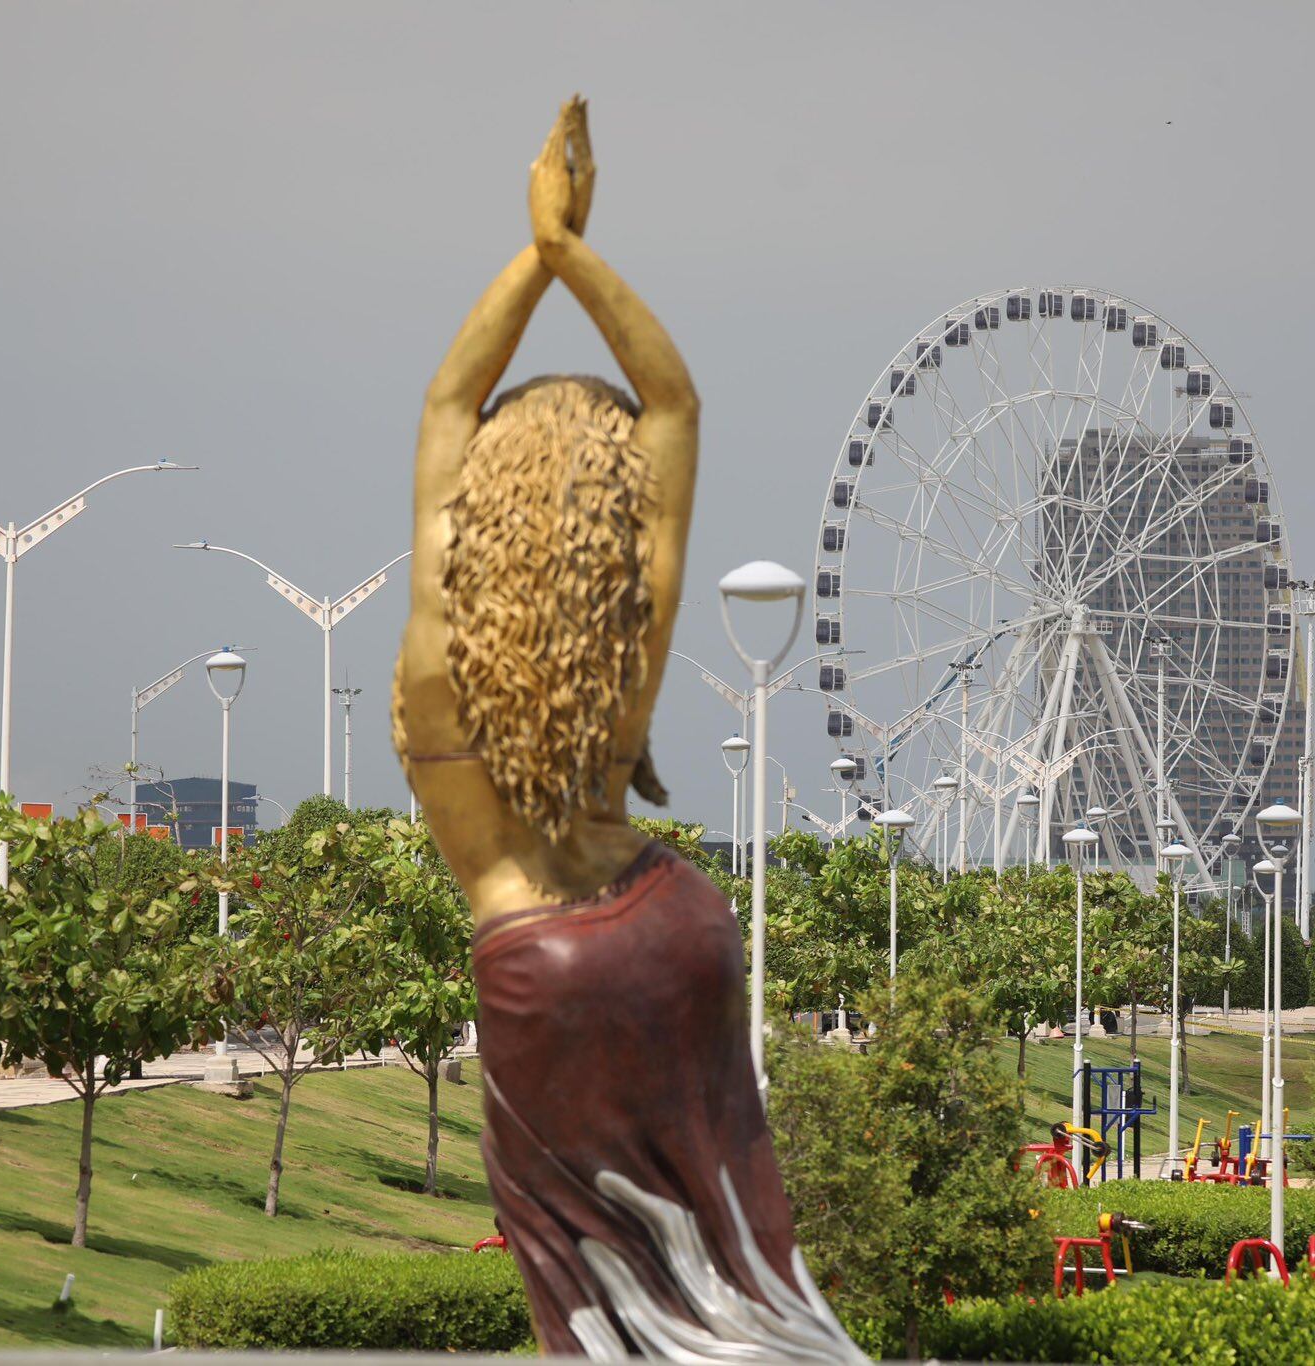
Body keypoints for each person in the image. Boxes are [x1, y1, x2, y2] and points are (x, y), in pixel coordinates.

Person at [393, 98, 859, 1362]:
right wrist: (575, 252)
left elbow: (447, 409)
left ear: (484, 519)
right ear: (607, 524)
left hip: (540, 969)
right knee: (737, 1288)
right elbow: (673, 404)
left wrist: (534, 245)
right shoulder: (621, 682)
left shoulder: (438, 713)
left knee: (604, 1317)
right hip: (672, 934)